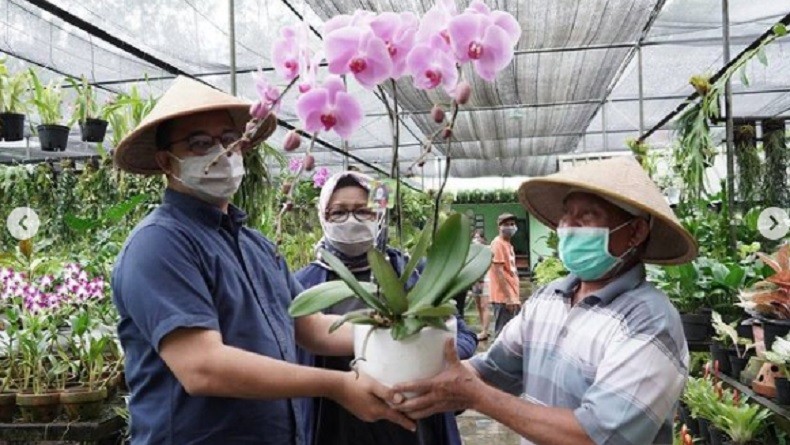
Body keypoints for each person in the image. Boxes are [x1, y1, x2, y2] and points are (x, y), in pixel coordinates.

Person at [110, 76, 413, 445]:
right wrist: (335, 385)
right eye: (200, 144)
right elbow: (202, 367)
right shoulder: (159, 244)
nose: (221, 153)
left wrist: (401, 332)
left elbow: (312, 328)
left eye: (228, 140)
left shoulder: (254, 245)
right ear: (166, 162)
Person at [390, 157, 698, 445]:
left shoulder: (650, 322)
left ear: (635, 232)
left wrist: (474, 396)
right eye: (567, 214)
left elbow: (596, 436)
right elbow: (493, 369)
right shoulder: (549, 298)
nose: (568, 227)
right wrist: (425, 384)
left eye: (587, 216)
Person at [295, 171, 478, 445]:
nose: (351, 220)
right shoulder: (304, 285)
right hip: (335, 420)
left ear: (379, 214)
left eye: (363, 211)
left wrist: (432, 352)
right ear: (323, 216)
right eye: (338, 213)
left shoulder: (415, 275)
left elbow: (463, 335)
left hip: (413, 418)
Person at [489, 213, 520, 338]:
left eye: (512, 224)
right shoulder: (498, 244)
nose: (510, 227)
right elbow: (499, 272)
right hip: (503, 298)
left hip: (512, 296)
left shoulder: (508, 244)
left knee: (512, 333)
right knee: (502, 335)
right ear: (499, 227)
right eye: (506, 224)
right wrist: (508, 297)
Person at [470, 230, 492, 341]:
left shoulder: (487, 250)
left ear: (483, 239)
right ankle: (483, 328)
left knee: (484, 306)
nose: (476, 239)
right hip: (475, 281)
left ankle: (485, 331)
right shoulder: (472, 251)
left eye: (478, 237)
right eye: (474, 237)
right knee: (478, 306)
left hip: (486, 280)